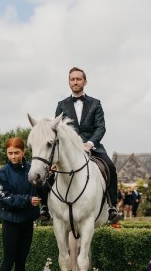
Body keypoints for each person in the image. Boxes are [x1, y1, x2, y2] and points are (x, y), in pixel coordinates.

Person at [49, 66, 119, 223]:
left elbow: (101, 127)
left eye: (78, 79)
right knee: (48, 169)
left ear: (85, 81)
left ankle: (112, 206)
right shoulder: (61, 105)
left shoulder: (96, 103)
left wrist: (90, 143)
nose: (75, 82)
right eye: (72, 79)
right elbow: (57, 128)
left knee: (111, 168)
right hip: (69, 149)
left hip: (92, 147)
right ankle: (46, 208)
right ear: (69, 82)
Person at [0, 137, 43, 271]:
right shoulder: (2, 173)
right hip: (10, 222)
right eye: (10, 153)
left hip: (27, 222)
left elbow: (42, 186)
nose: (13, 156)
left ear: (23, 152)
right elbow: (5, 198)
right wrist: (27, 200)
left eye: (16, 153)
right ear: (6, 153)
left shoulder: (32, 169)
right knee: (9, 259)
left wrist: (50, 173)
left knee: (21, 261)